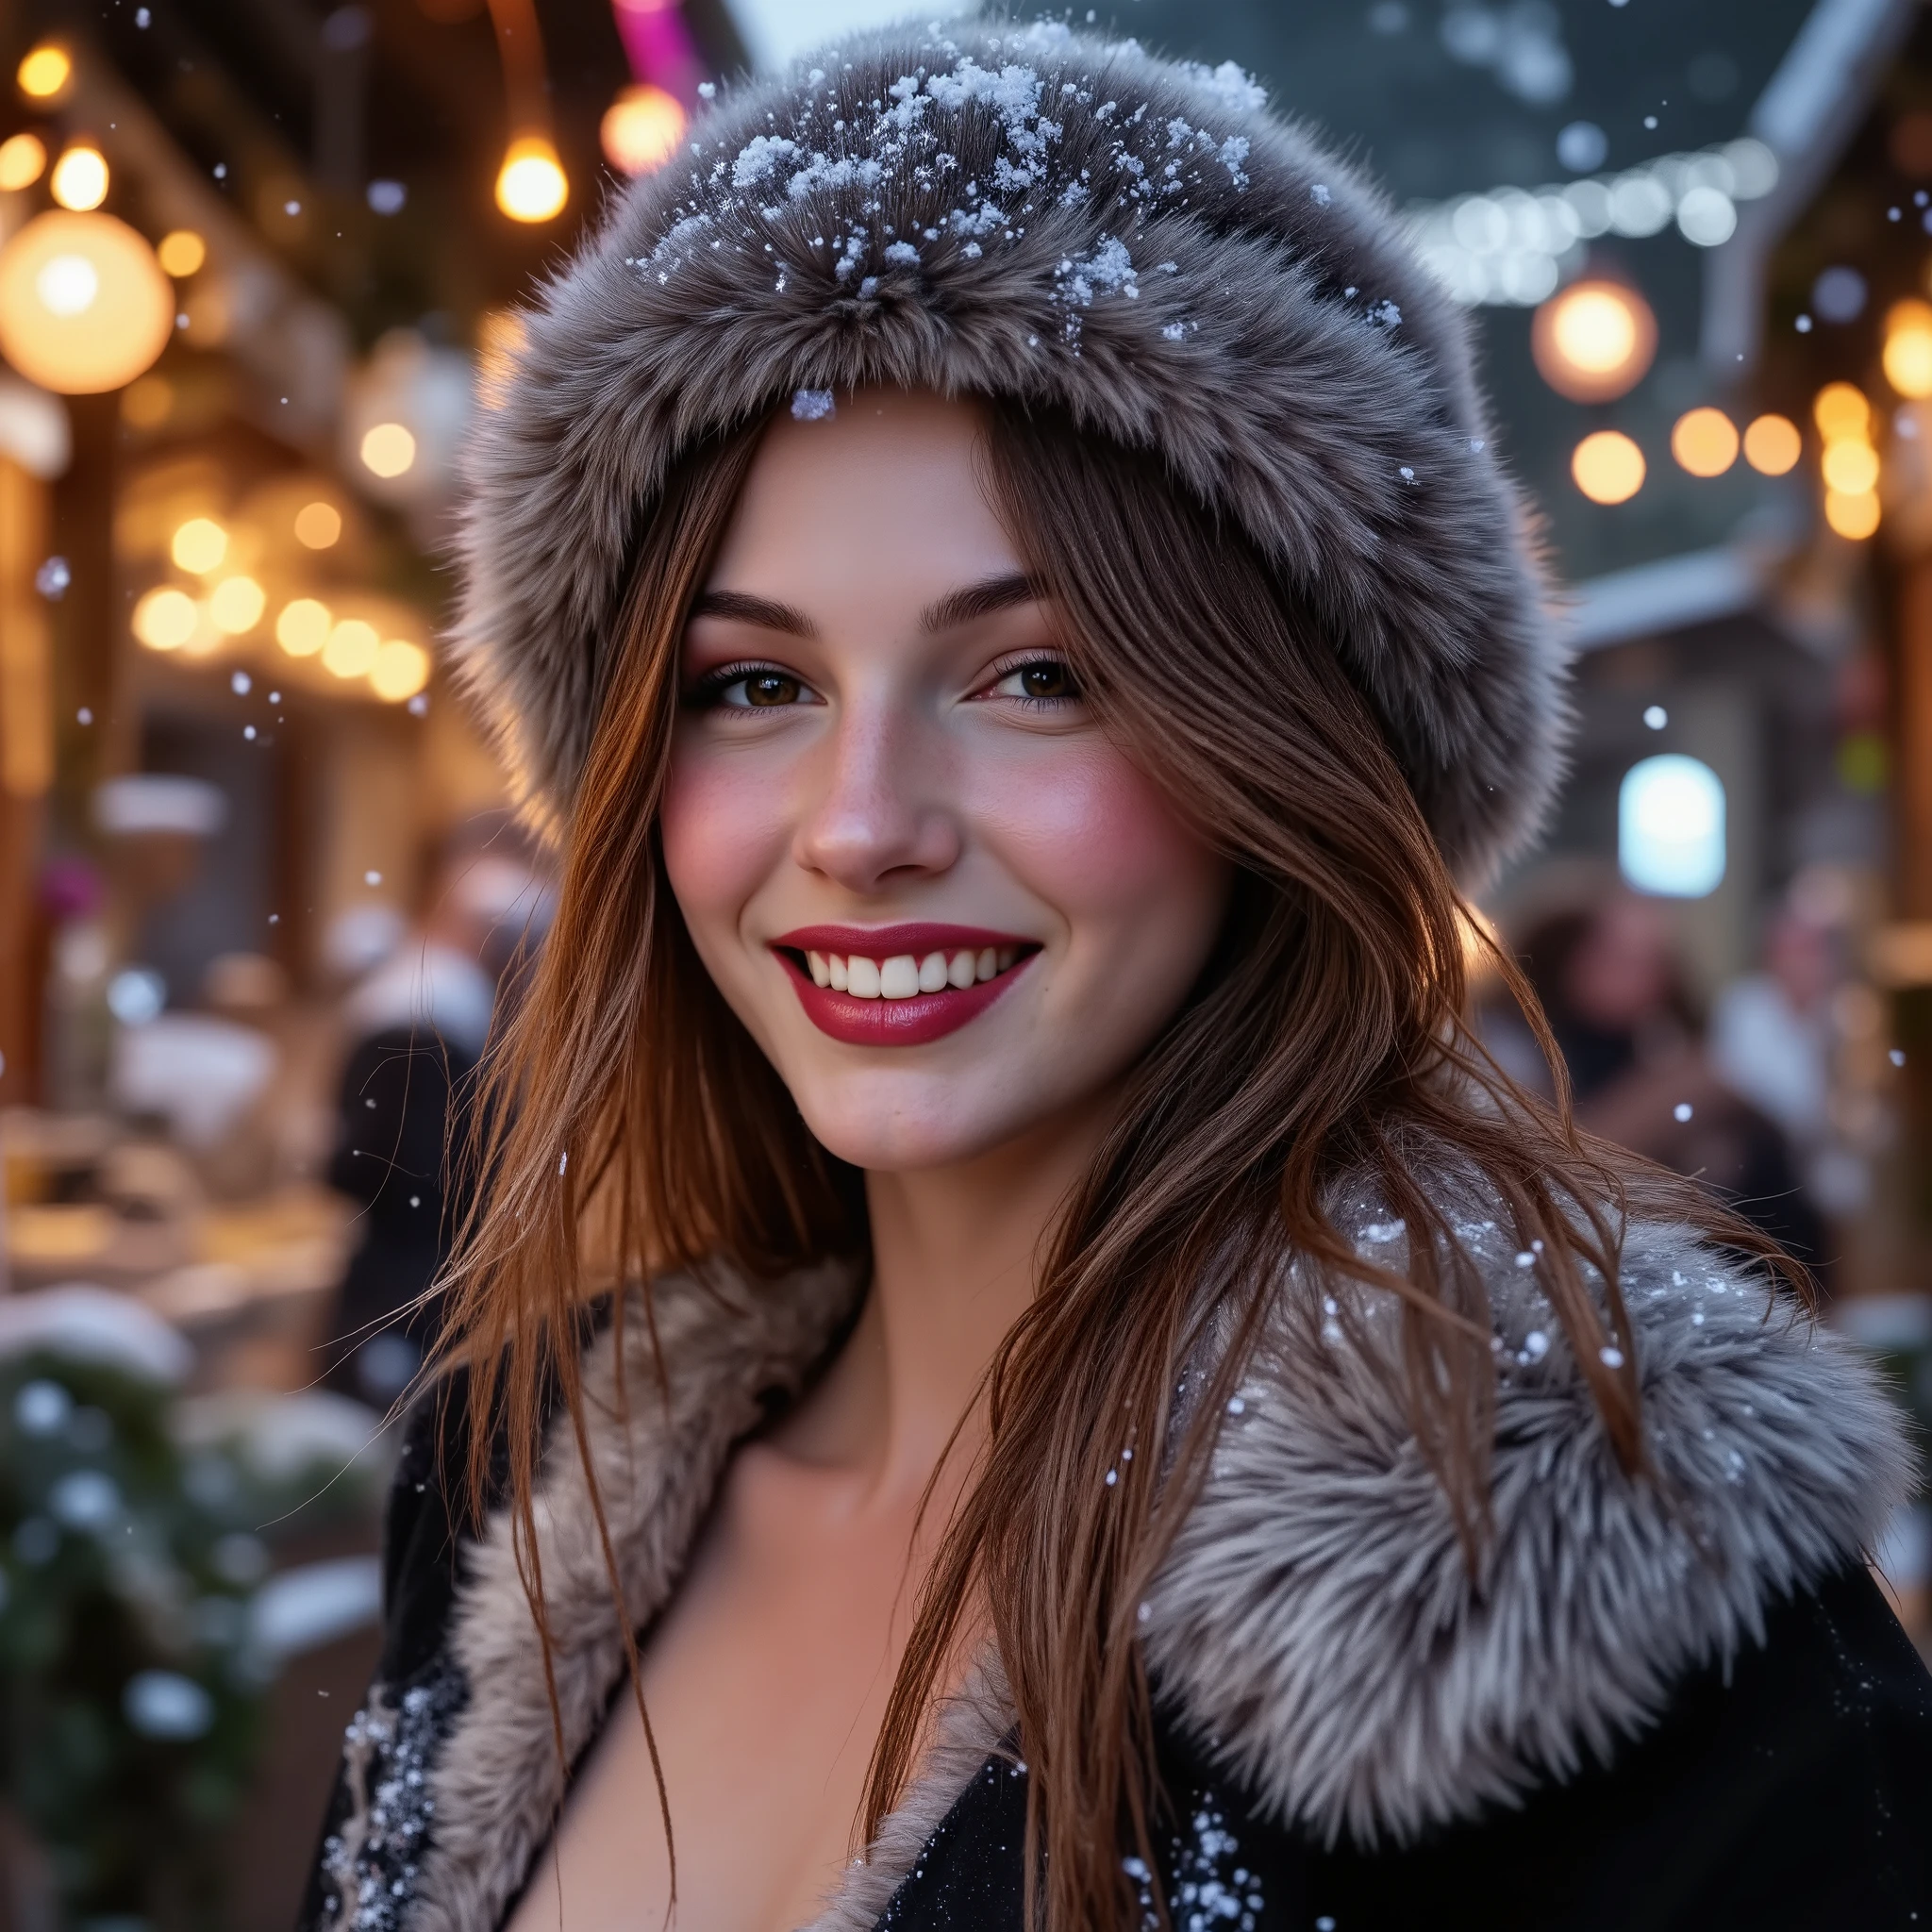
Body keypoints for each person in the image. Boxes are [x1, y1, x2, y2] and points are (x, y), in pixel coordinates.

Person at [301, 26, 1930, 1932]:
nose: (863, 822)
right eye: (754, 684)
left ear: (1285, 757)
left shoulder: (1603, 1622)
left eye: (1034, 673)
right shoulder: (520, 1469)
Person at [322, 817, 552, 1407]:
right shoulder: (423, 1029)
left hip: (419, 1288)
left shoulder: (443, 1022)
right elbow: (396, 1174)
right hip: (408, 1296)